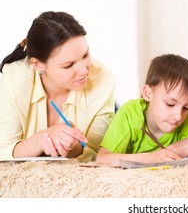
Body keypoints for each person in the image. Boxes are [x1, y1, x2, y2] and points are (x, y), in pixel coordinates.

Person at [0, 11, 115, 162]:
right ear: (38, 64)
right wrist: (43, 138)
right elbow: (3, 150)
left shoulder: (102, 79)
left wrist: (73, 148)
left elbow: (98, 154)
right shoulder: (14, 78)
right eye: (68, 65)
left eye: (85, 56)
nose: (84, 70)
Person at [96, 54, 188, 166]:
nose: (178, 116)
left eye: (186, 108)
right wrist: (151, 158)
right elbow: (102, 159)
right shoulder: (130, 114)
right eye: (170, 104)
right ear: (148, 94)